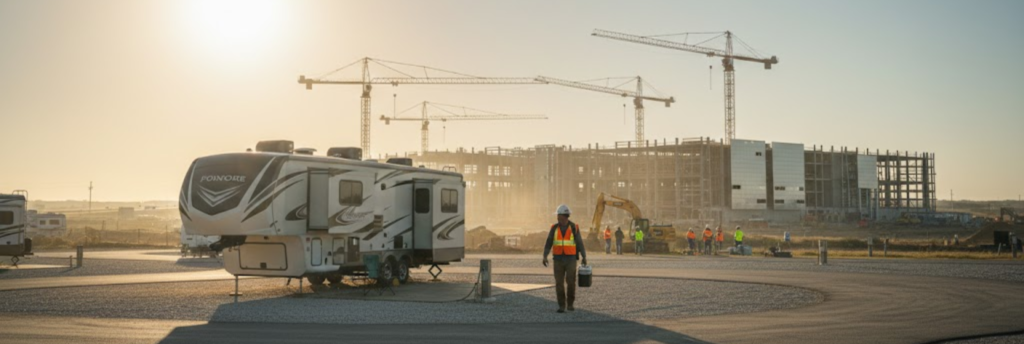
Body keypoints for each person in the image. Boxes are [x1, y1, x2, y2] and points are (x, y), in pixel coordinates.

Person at [542, 204, 587, 313]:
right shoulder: (554, 228)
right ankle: (562, 305)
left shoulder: (574, 227)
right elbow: (548, 242)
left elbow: (579, 242)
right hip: (558, 259)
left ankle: (570, 304)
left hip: (571, 259)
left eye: (559, 215)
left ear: (565, 216)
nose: (557, 217)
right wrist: (545, 255)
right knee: (559, 283)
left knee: (571, 282)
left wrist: (584, 256)